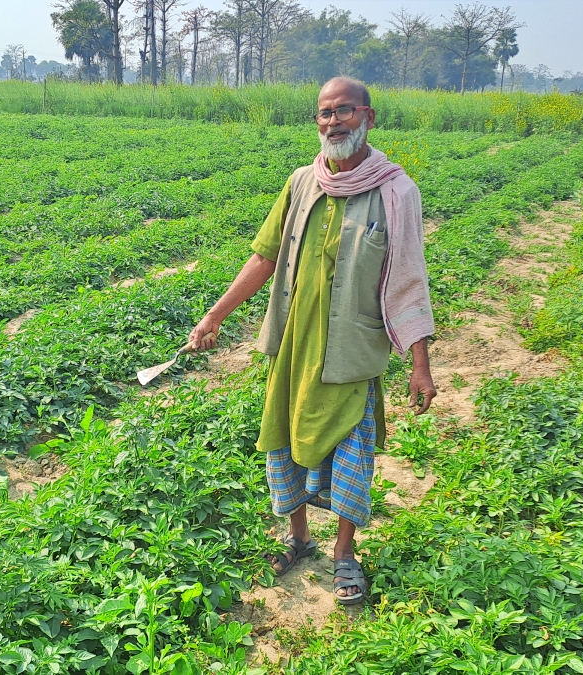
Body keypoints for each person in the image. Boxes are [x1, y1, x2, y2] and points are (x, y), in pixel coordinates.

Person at [186, 77, 437, 605]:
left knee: (352, 451)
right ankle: (298, 538)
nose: (333, 122)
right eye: (324, 113)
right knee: (287, 439)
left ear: (368, 117)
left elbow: (410, 277)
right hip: (295, 345)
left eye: (344, 112)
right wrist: (213, 317)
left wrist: (420, 364)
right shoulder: (303, 182)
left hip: (352, 350)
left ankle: (345, 554)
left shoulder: (396, 191)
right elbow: (264, 257)